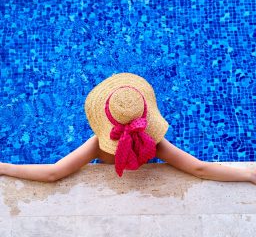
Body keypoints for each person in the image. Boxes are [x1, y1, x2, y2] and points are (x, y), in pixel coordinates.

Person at [0, 72, 255, 184]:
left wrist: (4, 168)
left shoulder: (97, 147)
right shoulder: (155, 144)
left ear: (105, 118)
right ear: (147, 114)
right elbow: (199, 168)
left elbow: (54, 173)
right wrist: (248, 175)